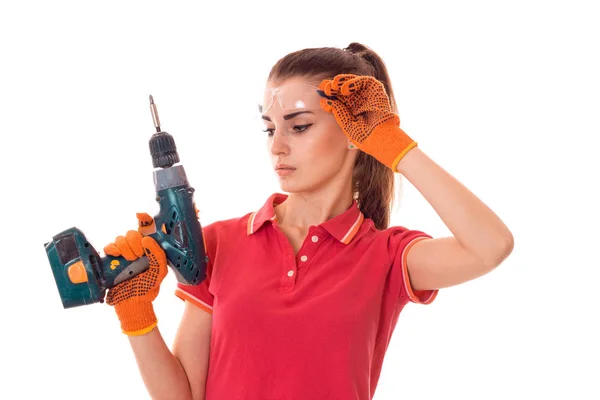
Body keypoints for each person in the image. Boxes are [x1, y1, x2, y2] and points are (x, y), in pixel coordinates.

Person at [102, 42, 514, 400]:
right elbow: (184, 395)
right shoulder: (222, 242)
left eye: (299, 127)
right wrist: (135, 312)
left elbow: (490, 245)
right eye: (269, 129)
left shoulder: (386, 257)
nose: (277, 146)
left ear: (356, 131)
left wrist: (392, 145)